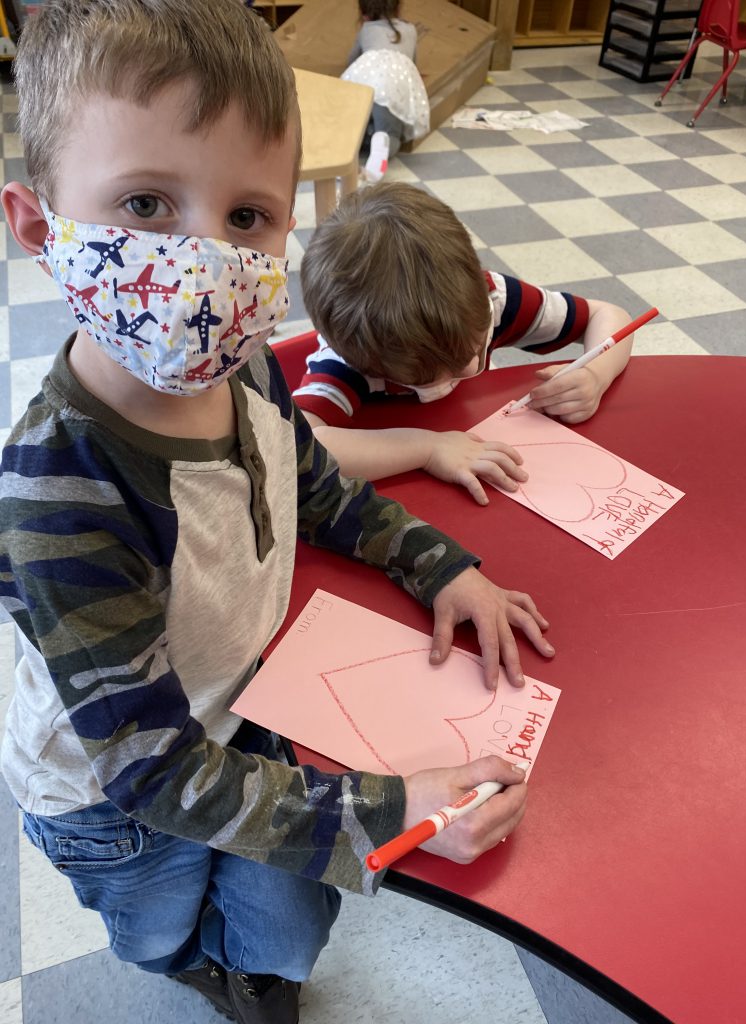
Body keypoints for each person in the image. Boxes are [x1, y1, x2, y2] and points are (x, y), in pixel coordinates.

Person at [0, 3, 554, 1023]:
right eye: (145, 203)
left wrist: (442, 566)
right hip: (113, 800)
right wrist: (395, 809)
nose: (204, 264)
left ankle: (258, 973)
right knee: (161, 927)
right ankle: (199, 969)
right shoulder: (56, 487)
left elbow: (315, 482)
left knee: (291, 923)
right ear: (41, 226)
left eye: (246, 217)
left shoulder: (242, 358)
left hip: (248, 710)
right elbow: (154, 770)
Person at [296, 181, 635, 507]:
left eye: (473, 351)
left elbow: (608, 315)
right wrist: (426, 448)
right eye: (431, 377)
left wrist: (595, 375)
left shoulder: (492, 300)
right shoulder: (347, 358)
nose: (473, 367)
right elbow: (300, 448)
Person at [343, 0, 429, 181]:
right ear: (398, 7)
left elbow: (351, 59)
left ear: (364, 11)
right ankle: (382, 142)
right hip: (392, 87)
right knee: (390, 133)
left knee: (354, 127)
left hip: (364, 82)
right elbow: (413, 62)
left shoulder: (366, 29)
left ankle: (347, 154)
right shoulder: (411, 30)